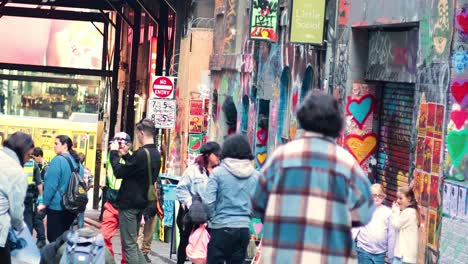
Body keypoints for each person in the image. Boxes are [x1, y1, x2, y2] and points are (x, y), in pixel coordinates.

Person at [252, 90, 375, 263]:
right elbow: (365, 214)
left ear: (302, 118)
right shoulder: (347, 165)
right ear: (337, 123)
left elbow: (257, 203)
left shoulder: (280, 159)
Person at [109, 119, 161, 264]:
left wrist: (114, 153)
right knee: (133, 243)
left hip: (129, 204)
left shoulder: (141, 154)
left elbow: (119, 172)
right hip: (142, 202)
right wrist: (126, 155)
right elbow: (136, 169)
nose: (137, 137)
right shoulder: (155, 154)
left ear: (142, 133)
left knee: (129, 245)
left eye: (138, 134)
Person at [204, 134, 260, 264]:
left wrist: (214, 218)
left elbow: (208, 203)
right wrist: (247, 216)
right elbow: (259, 203)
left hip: (220, 228)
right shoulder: (255, 175)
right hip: (243, 229)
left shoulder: (218, 173)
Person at [175, 141, 221, 264]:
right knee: (186, 242)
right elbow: (181, 189)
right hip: (190, 215)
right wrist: (191, 204)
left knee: (206, 246)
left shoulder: (220, 172)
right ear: (208, 155)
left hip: (211, 217)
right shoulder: (193, 171)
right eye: (216, 155)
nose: (218, 158)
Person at [37, 135, 84, 242]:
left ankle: (56, 258)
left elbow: (51, 185)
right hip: (72, 206)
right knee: (65, 238)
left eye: (56, 143)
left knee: (54, 239)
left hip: (57, 206)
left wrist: (44, 203)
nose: (53, 146)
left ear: (65, 145)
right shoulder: (78, 163)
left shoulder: (57, 160)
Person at [0, 132, 34, 263]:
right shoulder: (17, 171)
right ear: (22, 151)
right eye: (29, 155)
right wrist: (20, 228)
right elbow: (16, 213)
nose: (28, 160)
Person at [100, 132, 132, 264]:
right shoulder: (110, 156)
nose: (117, 146)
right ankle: (109, 261)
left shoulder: (132, 159)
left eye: (120, 143)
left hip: (127, 205)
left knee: (127, 242)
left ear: (128, 145)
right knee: (103, 236)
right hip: (112, 203)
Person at [354, 184, 395, 264]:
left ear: (384, 196)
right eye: (374, 195)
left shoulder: (388, 212)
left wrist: (391, 256)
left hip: (380, 253)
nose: (377, 198)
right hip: (363, 250)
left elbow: (391, 235)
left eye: (380, 195)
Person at [391, 186, 419, 264]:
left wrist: (395, 210)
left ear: (409, 199)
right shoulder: (410, 211)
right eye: (397, 198)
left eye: (400, 198)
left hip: (404, 257)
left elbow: (396, 224)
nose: (397, 201)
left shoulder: (408, 212)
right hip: (405, 256)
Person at [22, 159, 44, 242]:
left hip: (15, 195)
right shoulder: (32, 163)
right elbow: (39, 182)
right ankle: (27, 241)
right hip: (28, 196)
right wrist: (41, 197)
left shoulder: (13, 160)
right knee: (28, 219)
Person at [31, 147, 48, 248]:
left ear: (39, 156)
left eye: (34, 158)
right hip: (39, 196)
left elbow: (46, 183)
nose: (33, 160)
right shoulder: (40, 166)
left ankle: (41, 239)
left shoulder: (46, 167)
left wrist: (38, 184)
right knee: (36, 218)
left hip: (43, 197)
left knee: (37, 218)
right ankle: (40, 239)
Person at [76, 152, 93, 229]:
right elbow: (90, 183)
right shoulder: (87, 170)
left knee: (71, 214)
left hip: (74, 194)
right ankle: (80, 234)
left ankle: (70, 236)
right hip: (83, 195)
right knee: (81, 214)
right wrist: (86, 189)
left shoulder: (74, 169)